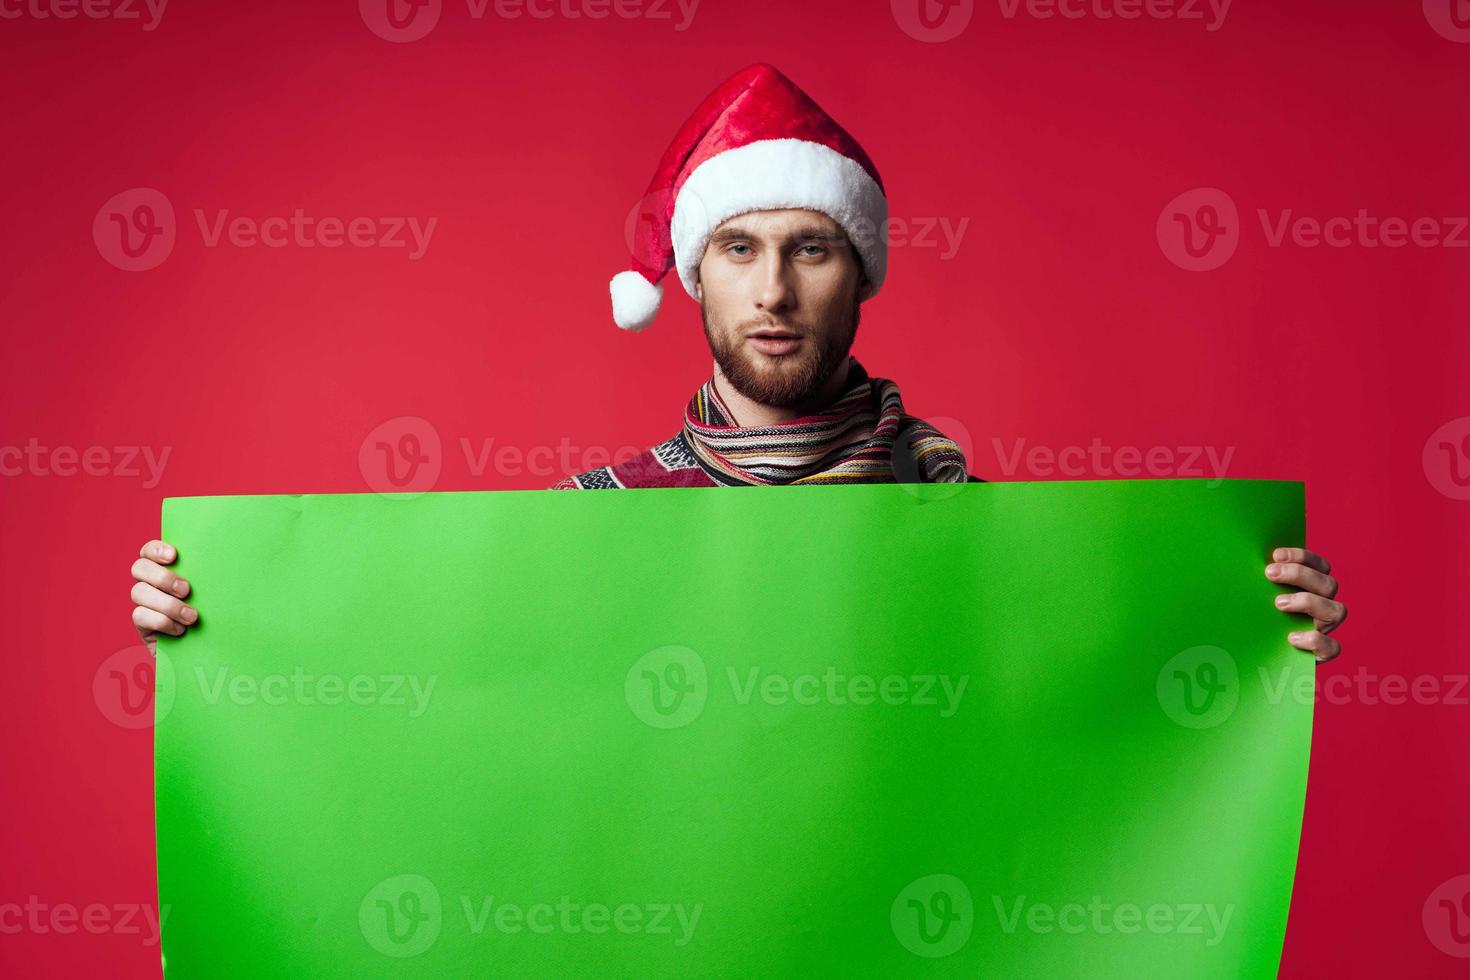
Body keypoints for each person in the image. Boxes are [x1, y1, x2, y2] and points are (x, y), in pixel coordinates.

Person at [127, 63, 1347, 661]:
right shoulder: (593, 529)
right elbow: (433, 677)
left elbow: (1093, 712)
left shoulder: (973, 529)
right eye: (740, 249)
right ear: (690, 275)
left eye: (811, 249)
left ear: (860, 270)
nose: (773, 290)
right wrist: (228, 624)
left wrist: (1248, 633)